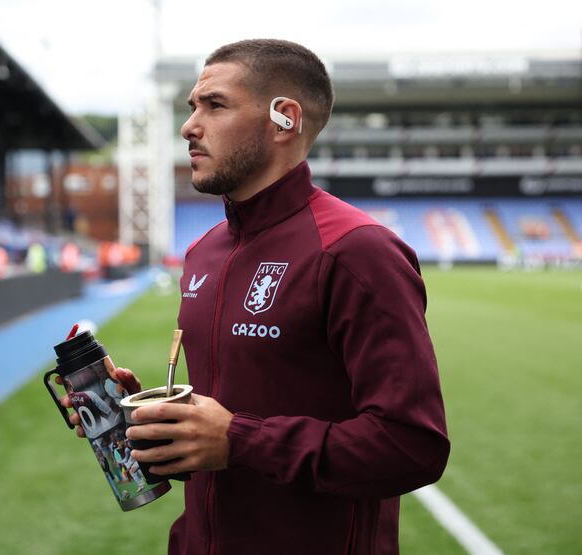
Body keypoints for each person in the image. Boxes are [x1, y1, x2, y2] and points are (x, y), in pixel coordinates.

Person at [61, 39, 449, 555]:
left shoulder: (357, 251)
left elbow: (412, 447)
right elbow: (235, 418)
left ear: (284, 118)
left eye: (214, 105)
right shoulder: (203, 253)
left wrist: (238, 440)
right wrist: (157, 421)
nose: (189, 126)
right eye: (191, 107)